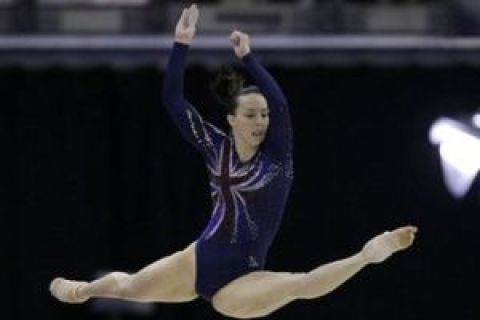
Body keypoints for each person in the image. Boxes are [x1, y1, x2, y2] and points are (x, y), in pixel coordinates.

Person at [50, 4, 417, 319]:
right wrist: (181, 43)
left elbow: (281, 104)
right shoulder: (215, 145)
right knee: (128, 287)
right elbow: (174, 101)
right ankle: (83, 291)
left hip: (243, 278)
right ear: (232, 119)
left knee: (300, 284)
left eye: (263, 116)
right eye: (252, 115)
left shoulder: (276, 159)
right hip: (198, 259)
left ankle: (367, 255)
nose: (261, 122)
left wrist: (248, 59)